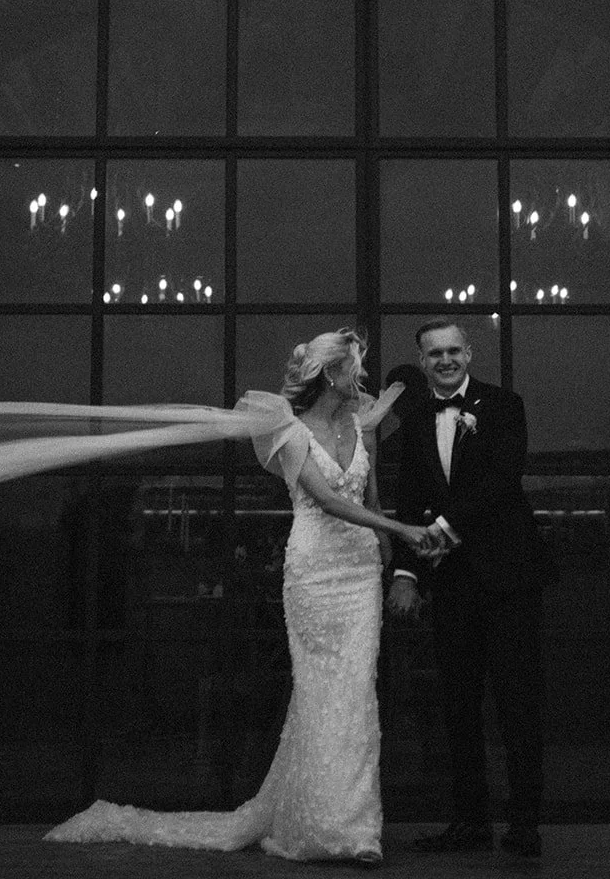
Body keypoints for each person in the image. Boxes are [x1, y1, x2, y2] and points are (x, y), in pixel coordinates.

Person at [46, 328, 439, 866]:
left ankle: (353, 827)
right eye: (355, 369)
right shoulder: (291, 430)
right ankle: (323, 827)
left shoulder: (362, 425)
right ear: (330, 373)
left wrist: (394, 560)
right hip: (314, 573)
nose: (362, 379)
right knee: (321, 692)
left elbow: (370, 496)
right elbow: (327, 502)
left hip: (359, 572)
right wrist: (402, 531)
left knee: (357, 694)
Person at [386, 318, 551, 863]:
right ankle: (469, 823)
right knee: (457, 707)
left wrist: (444, 530)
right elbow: (408, 496)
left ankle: (525, 825)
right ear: (423, 359)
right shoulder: (413, 419)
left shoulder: (505, 405)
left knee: (518, 706)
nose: (445, 360)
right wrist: (406, 575)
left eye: (453, 350)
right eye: (434, 354)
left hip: (508, 581)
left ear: (470, 354)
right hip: (451, 586)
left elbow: (503, 482)